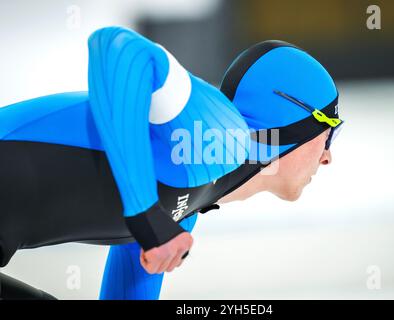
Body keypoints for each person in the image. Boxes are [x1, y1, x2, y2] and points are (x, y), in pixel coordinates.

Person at [0, 26, 343, 300]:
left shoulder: (188, 205)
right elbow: (115, 46)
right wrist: (145, 215)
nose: (328, 156)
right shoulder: (219, 135)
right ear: (299, 121)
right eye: (330, 133)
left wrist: (150, 218)